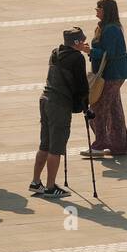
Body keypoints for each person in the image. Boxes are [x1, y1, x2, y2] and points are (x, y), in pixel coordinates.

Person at [31, 27, 90, 198]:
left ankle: (36, 182)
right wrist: (86, 107)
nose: (85, 42)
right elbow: (82, 86)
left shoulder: (55, 53)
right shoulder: (77, 58)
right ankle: (50, 187)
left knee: (45, 144)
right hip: (59, 104)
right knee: (56, 148)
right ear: (77, 42)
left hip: (45, 98)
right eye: (83, 40)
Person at [83, 0, 127, 157]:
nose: (96, 11)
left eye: (98, 8)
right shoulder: (107, 27)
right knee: (114, 108)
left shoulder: (110, 29)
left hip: (111, 74)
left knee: (98, 108)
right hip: (115, 74)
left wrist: (90, 51)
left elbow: (109, 54)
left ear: (106, 11)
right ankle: (119, 145)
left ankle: (101, 143)